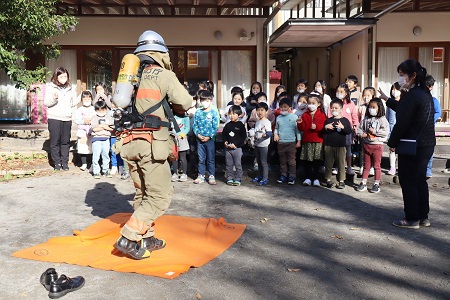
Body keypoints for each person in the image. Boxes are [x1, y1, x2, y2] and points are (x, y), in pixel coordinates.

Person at [114, 30, 192, 260]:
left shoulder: (131, 76)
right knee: (159, 196)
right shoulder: (163, 75)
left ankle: (146, 237)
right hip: (152, 144)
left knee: (143, 193)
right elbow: (185, 102)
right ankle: (128, 237)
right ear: (161, 53)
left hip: (129, 143)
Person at [378, 59, 436, 229]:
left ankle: (411, 218)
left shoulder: (412, 95)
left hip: (412, 145)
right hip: (426, 145)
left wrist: (392, 142)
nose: (400, 77)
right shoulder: (423, 93)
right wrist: (387, 99)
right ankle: (423, 216)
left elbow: (402, 122)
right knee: (419, 180)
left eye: (402, 74)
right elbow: (405, 109)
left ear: (413, 76)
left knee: (408, 180)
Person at [44, 67, 79, 171]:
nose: (63, 78)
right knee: (55, 142)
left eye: (65, 76)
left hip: (67, 118)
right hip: (54, 118)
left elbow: (72, 103)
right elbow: (46, 103)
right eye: (61, 76)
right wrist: (54, 99)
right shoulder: (51, 87)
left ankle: (65, 162)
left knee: (65, 141)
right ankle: (57, 163)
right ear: (56, 77)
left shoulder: (71, 88)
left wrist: (79, 99)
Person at [355, 98, 389, 193]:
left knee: (377, 166)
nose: (371, 109)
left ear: (379, 108)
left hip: (377, 146)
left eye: (374, 107)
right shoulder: (366, 119)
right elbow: (359, 128)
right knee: (366, 166)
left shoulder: (383, 120)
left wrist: (374, 131)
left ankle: (376, 184)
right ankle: (363, 182)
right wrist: (361, 134)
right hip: (367, 145)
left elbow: (385, 132)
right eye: (370, 107)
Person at [297, 93, 327, 187]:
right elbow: (302, 128)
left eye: (313, 103)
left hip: (318, 141)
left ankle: (316, 178)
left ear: (318, 104)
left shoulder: (322, 114)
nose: (311, 105)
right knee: (308, 160)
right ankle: (308, 178)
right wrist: (300, 123)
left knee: (317, 160)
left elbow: (323, 127)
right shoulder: (305, 115)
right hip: (307, 140)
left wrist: (316, 127)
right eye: (309, 103)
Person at [323, 99, 352, 189]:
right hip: (329, 145)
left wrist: (342, 127)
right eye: (332, 108)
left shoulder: (345, 120)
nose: (334, 110)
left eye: (336, 108)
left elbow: (349, 131)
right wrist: (326, 127)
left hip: (341, 146)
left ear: (341, 109)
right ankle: (328, 180)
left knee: (341, 164)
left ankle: (341, 180)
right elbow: (323, 132)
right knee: (328, 163)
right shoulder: (328, 120)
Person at [193, 90, 220, 184]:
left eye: (207, 100)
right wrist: (198, 135)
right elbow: (194, 125)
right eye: (203, 100)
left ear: (211, 101)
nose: (205, 102)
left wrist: (209, 136)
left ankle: (211, 175)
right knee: (201, 159)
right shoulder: (198, 112)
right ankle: (201, 175)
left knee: (211, 159)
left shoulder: (213, 113)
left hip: (210, 140)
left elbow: (215, 126)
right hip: (199, 140)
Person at [274, 97, 301, 184]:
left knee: (292, 161)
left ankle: (292, 176)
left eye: (285, 107)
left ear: (290, 108)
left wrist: (299, 141)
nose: (283, 109)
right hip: (281, 142)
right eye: (281, 107)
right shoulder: (278, 118)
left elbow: (297, 130)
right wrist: (275, 134)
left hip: (291, 143)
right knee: (282, 161)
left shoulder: (294, 117)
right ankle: (283, 175)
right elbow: (276, 128)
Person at [334, 83, 359, 175]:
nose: (339, 93)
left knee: (348, 149)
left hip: (348, 130)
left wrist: (356, 125)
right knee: (338, 149)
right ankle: (337, 167)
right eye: (337, 91)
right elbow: (329, 114)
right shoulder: (333, 102)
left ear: (346, 93)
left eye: (341, 92)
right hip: (336, 129)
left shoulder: (350, 103)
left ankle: (349, 167)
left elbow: (354, 116)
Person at [223, 105, 247, 186]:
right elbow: (224, 134)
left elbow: (243, 137)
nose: (232, 116)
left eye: (234, 114)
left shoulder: (241, 125)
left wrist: (236, 144)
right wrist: (225, 141)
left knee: (237, 164)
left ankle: (238, 178)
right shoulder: (227, 125)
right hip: (228, 149)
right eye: (230, 114)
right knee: (229, 164)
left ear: (239, 115)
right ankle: (229, 177)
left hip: (237, 149)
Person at [90, 100, 114, 179]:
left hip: (106, 139)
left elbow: (111, 128)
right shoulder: (94, 118)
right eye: (98, 110)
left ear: (105, 109)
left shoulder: (109, 118)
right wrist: (104, 126)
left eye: (102, 110)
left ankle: (106, 170)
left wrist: (102, 126)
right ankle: (96, 172)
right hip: (96, 139)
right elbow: (94, 129)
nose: (100, 112)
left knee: (106, 155)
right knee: (96, 155)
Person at [251, 102, 272, 186]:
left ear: (266, 111)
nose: (259, 112)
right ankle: (259, 176)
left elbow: (270, 133)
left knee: (264, 162)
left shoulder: (267, 122)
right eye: (258, 110)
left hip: (264, 145)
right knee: (259, 161)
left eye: (262, 110)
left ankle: (265, 178)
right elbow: (256, 132)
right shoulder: (258, 122)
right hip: (257, 144)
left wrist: (265, 135)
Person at [425, 75, 442, 178]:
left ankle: (428, 169)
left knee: (429, 150)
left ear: (431, 87)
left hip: (429, 129)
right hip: (418, 130)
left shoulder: (433, 100)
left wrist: (430, 119)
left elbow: (438, 112)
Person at [357, 87, 376, 175]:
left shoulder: (375, 107)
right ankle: (362, 166)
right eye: (364, 95)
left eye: (368, 95)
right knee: (362, 149)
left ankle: (371, 167)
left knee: (371, 149)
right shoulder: (361, 107)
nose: (366, 97)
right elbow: (358, 118)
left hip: (372, 132)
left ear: (373, 96)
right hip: (363, 132)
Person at [74, 90, 95, 171]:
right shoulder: (79, 110)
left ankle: (91, 164)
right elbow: (76, 120)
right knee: (82, 147)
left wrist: (91, 122)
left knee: (91, 148)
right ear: (81, 100)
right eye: (85, 99)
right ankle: (84, 163)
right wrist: (83, 121)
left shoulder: (94, 109)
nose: (87, 100)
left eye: (89, 98)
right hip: (82, 132)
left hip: (92, 131)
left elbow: (96, 118)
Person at [386, 82, 401, 176]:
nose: (394, 91)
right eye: (393, 89)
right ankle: (392, 167)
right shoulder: (390, 103)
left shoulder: (404, 102)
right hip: (392, 131)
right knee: (392, 150)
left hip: (402, 131)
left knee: (401, 150)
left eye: (396, 89)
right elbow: (387, 119)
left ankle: (400, 167)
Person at [171, 112, 190, 182]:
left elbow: (187, 128)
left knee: (182, 157)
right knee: (174, 156)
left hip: (182, 138)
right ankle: (175, 173)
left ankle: (184, 174)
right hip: (173, 138)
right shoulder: (172, 116)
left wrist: (181, 135)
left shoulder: (185, 116)